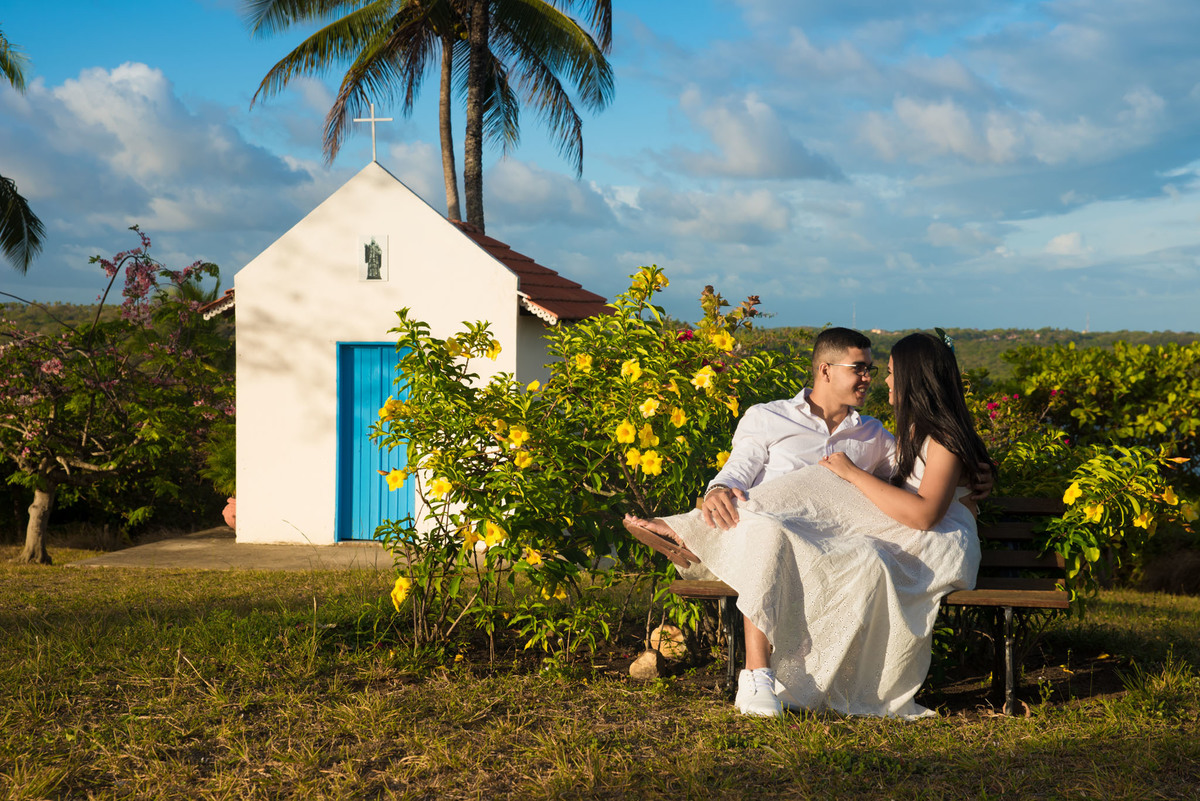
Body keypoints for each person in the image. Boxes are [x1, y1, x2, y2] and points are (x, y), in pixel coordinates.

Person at [625, 331, 994, 719]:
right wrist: (719, 487)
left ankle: (691, 534)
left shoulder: (875, 435)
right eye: (861, 369)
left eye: (878, 370)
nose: (873, 378)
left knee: (816, 491)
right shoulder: (769, 417)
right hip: (767, 535)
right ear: (825, 370)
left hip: (834, 542)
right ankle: (756, 673)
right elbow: (739, 469)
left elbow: (928, 477)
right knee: (769, 529)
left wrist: (978, 474)